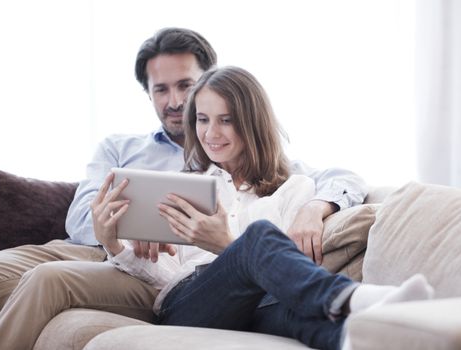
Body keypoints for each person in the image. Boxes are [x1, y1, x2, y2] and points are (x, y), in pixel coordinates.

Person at [0, 28, 365, 350]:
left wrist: (318, 206)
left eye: (186, 87)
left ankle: (366, 320)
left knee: (281, 291)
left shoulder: (282, 180)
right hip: (104, 251)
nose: (176, 101)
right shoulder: (139, 154)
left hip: (170, 278)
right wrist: (116, 236)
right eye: (162, 89)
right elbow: (86, 220)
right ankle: (362, 305)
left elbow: (335, 179)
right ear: (149, 93)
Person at [95, 66, 434, 350]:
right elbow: (162, 277)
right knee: (258, 237)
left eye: (226, 120)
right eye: (202, 119)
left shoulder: (295, 188)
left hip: (261, 305)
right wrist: (113, 244)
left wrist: (316, 208)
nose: (211, 133)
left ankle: (359, 337)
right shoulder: (182, 187)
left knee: (295, 314)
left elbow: (287, 272)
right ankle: (356, 297)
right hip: (190, 303)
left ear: (251, 123)